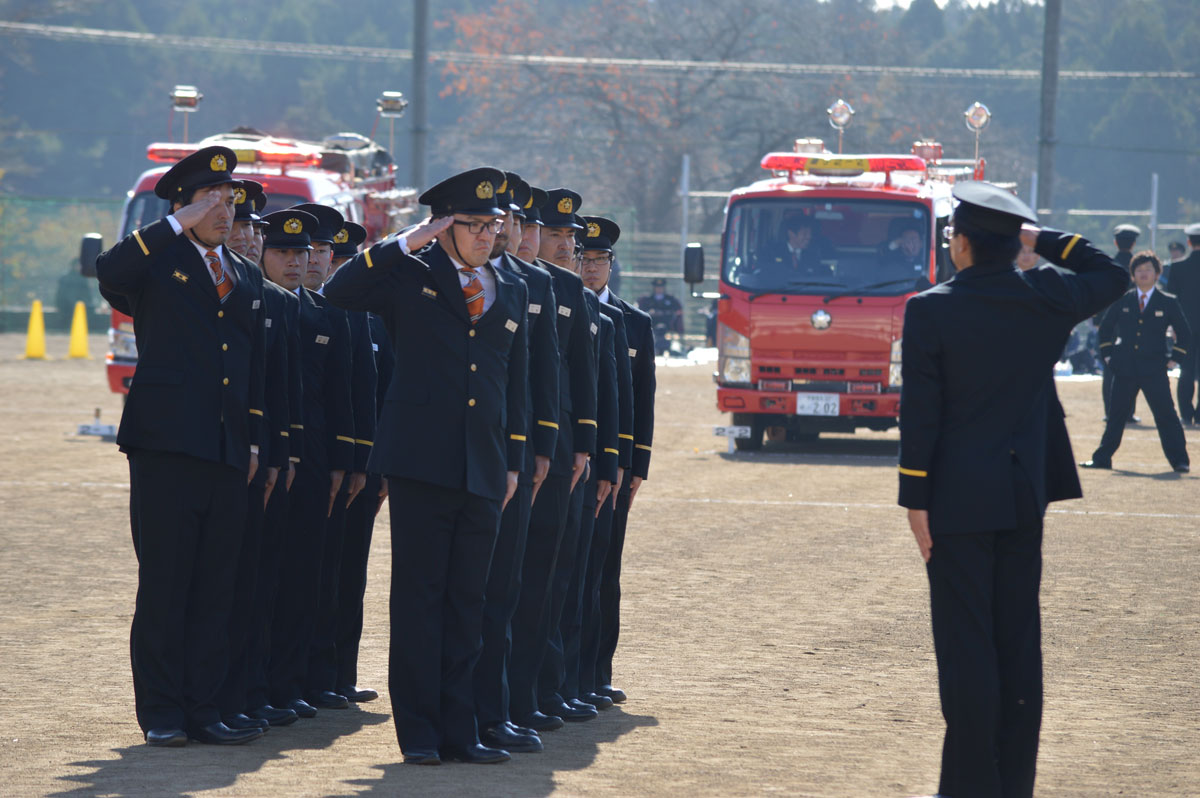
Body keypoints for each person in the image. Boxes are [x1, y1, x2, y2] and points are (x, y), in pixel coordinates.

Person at [898, 182, 1127, 798]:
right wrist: (1037, 237)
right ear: (1012, 243)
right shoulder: (1046, 295)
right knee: (1018, 643)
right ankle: (1012, 784)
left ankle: (967, 786)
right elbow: (1111, 273)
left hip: (953, 502)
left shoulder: (930, 308)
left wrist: (913, 500)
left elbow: (921, 416)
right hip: (1024, 492)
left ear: (963, 244)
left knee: (966, 645)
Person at [323, 167, 529, 765]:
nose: (490, 235)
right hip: (420, 462)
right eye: (476, 224)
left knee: (470, 603)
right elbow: (339, 293)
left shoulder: (506, 286)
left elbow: (509, 382)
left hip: (484, 466)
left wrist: (512, 458)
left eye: (495, 224)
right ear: (444, 226)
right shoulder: (408, 276)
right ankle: (418, 734)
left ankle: (460, 732)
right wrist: (403, 242)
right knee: (420, 599)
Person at [95, 145, 268, 747]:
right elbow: (110, 272)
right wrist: (173, 227)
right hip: (166, 445)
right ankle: (164, 712)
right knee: (167, 583)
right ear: (183, 206)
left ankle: (206, 707)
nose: (227, 209)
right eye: (213, 200)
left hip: (226, 448)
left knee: (216, 584)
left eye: (231, 199)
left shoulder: (244, 274)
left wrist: (253, 442)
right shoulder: (157, 260)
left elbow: (252, 368)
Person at [474, 173, 560, 755]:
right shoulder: (443, 278)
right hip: (457, 452)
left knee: (505, 588)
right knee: (463, 595)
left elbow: (538, 377)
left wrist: (538, 450)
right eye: (492, 221)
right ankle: (461, 715)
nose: (507, 231)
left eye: (511, 221)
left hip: (512, 453)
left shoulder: (532, 285)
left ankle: (500, 707)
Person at [507, 187, 598, 732]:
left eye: (563, 235)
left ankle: (535, 692)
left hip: (553, 449)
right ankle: (497, 700)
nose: (555, 244)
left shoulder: (563, 289)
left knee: (545, 575)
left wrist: (581, 448)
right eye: (545, 230)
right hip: (497, 446)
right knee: (499, 585)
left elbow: (578, 376)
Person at [576, 215, 655, 707]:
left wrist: (636, 465)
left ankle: (599, 673)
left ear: (612, 264)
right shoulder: (564, 307)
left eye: (600, 259)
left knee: (606, 572)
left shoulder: (634, 323)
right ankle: (570, 676)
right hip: (574, 462)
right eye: (584, 258)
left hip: (616, 468)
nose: (591, 268)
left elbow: (641, 400)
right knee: (570, 573)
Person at [1082, 252, 1191, 472]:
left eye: (1148, 270)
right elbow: (1105, 329)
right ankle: (1102, 458)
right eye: (1139, 270)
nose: (1144, 274)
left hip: (1154, 369)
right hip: (1124, 367)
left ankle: (1180, 460)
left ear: (1157, 274)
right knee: (1116, 415)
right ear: (1133, 275)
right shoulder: (1123, 299)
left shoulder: (1168, 301)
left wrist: (1174, 360)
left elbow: (1184, 333)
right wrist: (1109, 355)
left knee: (1166, 416)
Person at [1102, 224, 1141, 423]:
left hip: (1110, 320)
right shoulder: (1140, 267)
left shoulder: (1108, 264)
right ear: (1134, 243)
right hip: (1133, 321)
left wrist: (1096, 319)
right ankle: (1128, 411)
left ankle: (1110, 411)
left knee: (1109, 365)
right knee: (1131, 367)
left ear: (1116, 243)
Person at [1167, 223, 1200, 424]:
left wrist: (1172, 327)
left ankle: (1186, 415)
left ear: (1188, 242)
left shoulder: (1177, 267)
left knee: (1186, 370)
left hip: (1185, 327)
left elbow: (1171, 300)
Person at [638, 278, 683, 356]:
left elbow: (677, 312)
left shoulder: (671, 299)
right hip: (652, 325)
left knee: (662, 329)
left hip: (667, 325)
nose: (659, 289)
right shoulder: (647, 300)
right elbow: (641, 311)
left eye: (661, 287)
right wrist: (651, 313)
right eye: (657, 287)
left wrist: (662, 313)